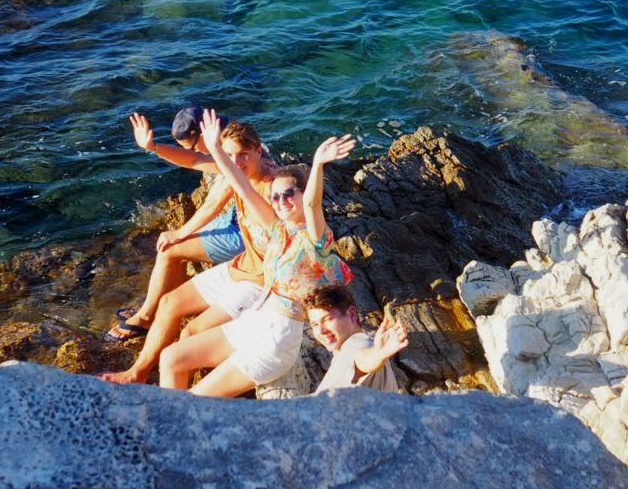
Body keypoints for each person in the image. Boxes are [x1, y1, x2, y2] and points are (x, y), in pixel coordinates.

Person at [150, 108, 356, 396]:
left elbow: (312, 205)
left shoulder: (314, 239)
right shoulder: (276, 229)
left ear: (301, 193)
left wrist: (318, 164)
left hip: (276, 339)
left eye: (289, 194)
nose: (281, 201)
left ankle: (179, 427)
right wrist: (214, 150)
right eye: (276, 196)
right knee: (171, 357)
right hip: (255, 321)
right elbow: (242, 186)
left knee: (195, 400)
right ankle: (169, 417)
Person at [98, 115, 279, 382]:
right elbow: (196, 162)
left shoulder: (277, 187)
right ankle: (136, 373)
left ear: (258, 151)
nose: (236, 162)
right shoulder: (234, 173)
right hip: (240, 266)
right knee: (169, 302)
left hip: (261, 281)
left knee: (190, 334)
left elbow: (291, 220)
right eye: (229, 156)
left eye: (243, 155)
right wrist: (153, 147)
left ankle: (191, 392)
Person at [307, 284, 405, 393]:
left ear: (352, 314)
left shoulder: (356, 345)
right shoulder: (343, 352)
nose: (321, 331)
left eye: (328, 319)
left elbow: (363, 359)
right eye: (315, 324)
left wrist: (379, 354)